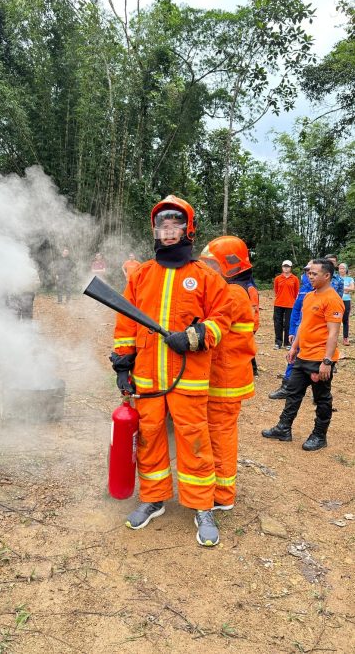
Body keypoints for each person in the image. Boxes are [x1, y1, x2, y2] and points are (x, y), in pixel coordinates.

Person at [110, 195, 231, 547]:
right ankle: (153, 497)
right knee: (148, 439)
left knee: (195, 441)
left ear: (188, 229)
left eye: (175, 224)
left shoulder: (205, 277)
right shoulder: (141, 275)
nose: (168, 230)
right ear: (155, 230)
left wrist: (195, 336)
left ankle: (202, 505)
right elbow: (124, 323)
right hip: (147, 378)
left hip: (188, 376)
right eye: (162, 224)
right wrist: (123, 362)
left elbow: (223, 319)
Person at [262, 259, 345, 451]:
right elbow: (303, 325)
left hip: (320, 359)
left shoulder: (333, 300)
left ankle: (319, 436)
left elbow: (333, 333)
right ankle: (284, 428)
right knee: (293, 393)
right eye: (309, 273)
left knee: (322, 398)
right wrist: (293, 348)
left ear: (327, 276)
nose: (310, 276)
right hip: (303, 356)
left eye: (314, 273)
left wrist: (327, 361)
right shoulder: (309, 296)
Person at [200, 236, 256, 511]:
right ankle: (219, 488)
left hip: (225, 380)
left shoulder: (231, 294)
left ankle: (222, 494)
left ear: (229, 265)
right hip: (228, 377)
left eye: (211, 263)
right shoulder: (236, 291)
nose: (207, 268)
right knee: (219, 433)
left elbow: (206, 328)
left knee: (220, 435)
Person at [269, 261, 313, 399]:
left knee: (316, 363)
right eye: (307, 271)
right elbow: (296, 310)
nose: (309, 274)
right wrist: (293, 331)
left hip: (316, 334)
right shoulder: (305, 289)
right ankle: (286, 387)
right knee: (292, 357)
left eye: (312, 272)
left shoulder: (328, 292)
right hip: (301, 330)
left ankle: (319, 394)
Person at [273, 260, 299, 349]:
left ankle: (288, 343)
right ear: (282, 267)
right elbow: (276, 291)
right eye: (284, 266)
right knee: (278, 323)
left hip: (290, 304)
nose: (286, 268)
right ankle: (278, 342)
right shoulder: (277, 278)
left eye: (288, 266)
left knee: (289, 324)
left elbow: (296, 292)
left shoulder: (295, 279)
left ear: (291, 268)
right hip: (278, 303)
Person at [338, 262, 354, 346]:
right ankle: (333, 338)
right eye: (340, 268)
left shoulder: (349, 279)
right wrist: (346, 289)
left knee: (345, 320)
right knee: (335, 319)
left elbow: (352, 288)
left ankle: (345, 338)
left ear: (346, 269)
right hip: (337, 300)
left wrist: (342, 288)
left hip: (346, 300)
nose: (341, 270)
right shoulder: (336, 278)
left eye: (343, 268)